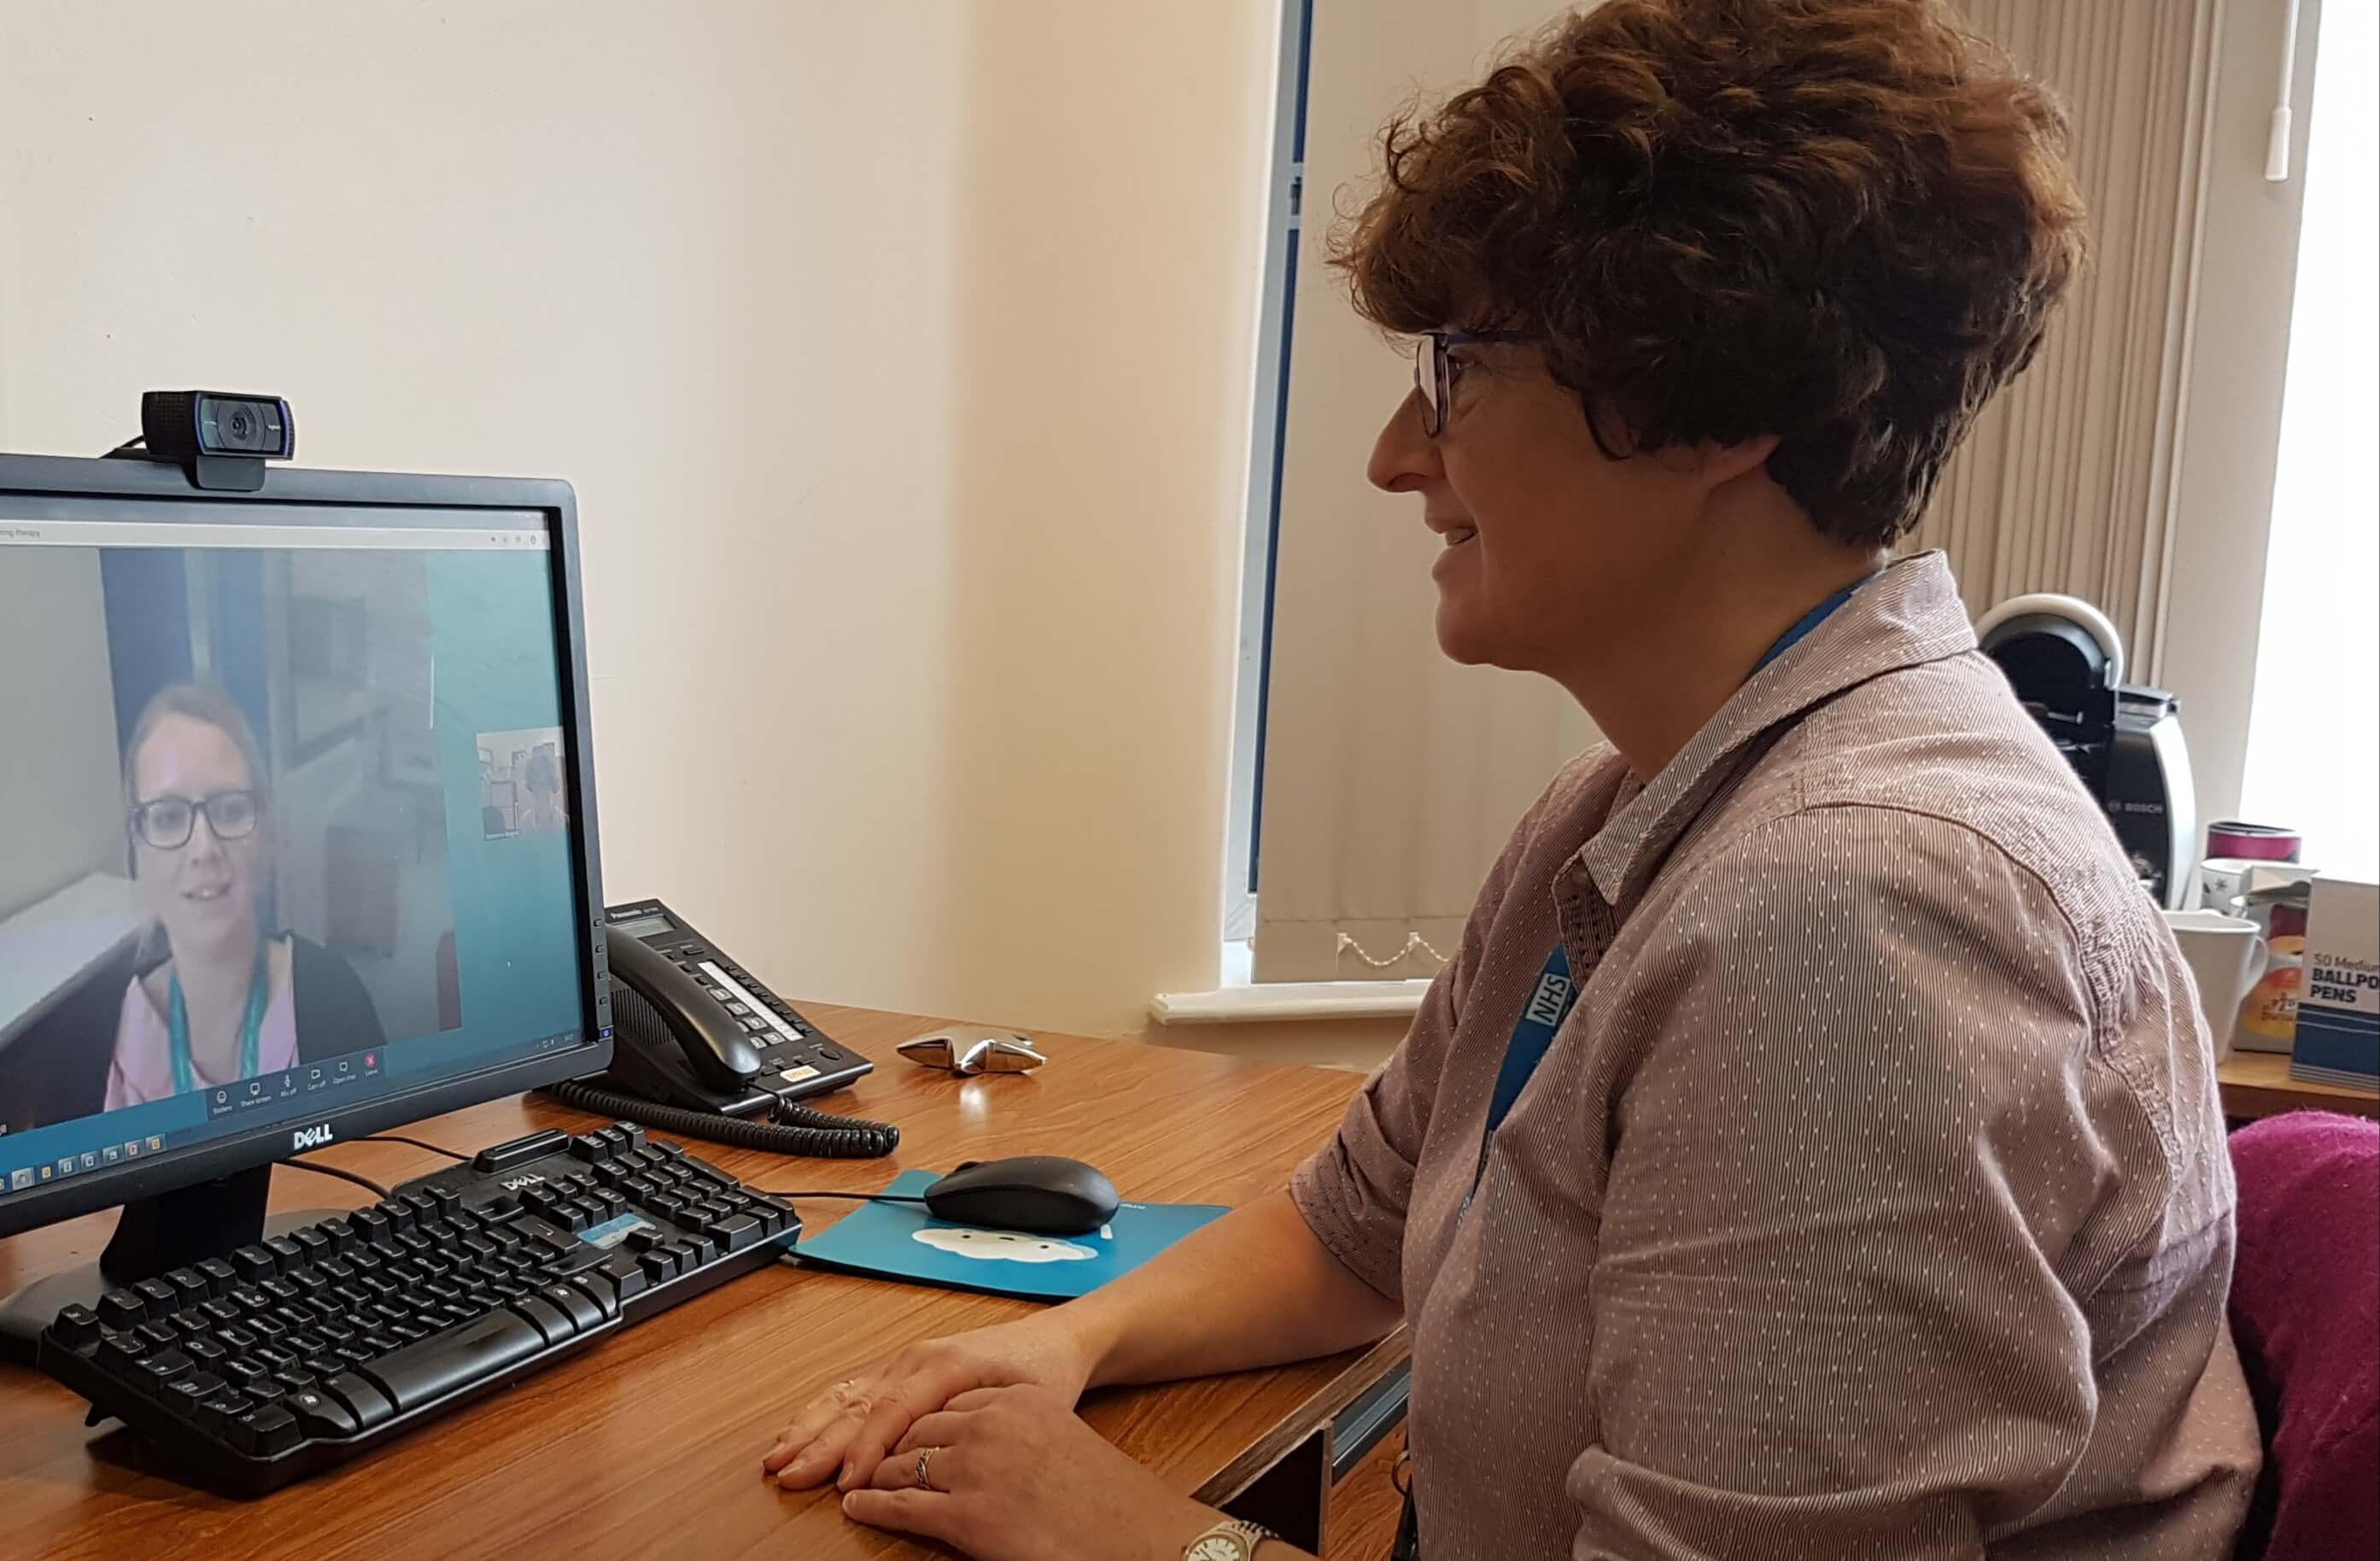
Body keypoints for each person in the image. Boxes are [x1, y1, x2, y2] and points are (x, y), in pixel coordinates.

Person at [765, 3, 2260, 1558]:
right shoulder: (1640, 803)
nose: (1399, 453)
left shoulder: (1855, 917)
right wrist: (1065, 1340)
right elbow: (1353, 1231)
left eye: (1460, 368)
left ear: (1717, 407)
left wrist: (1138, 1539)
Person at [102, 682, 386, 1109]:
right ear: (136, 850)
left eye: (230, 809)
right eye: (167, 816)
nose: (203, 848)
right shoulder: (105, 1038)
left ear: (267, 835)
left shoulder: (335, 1000)